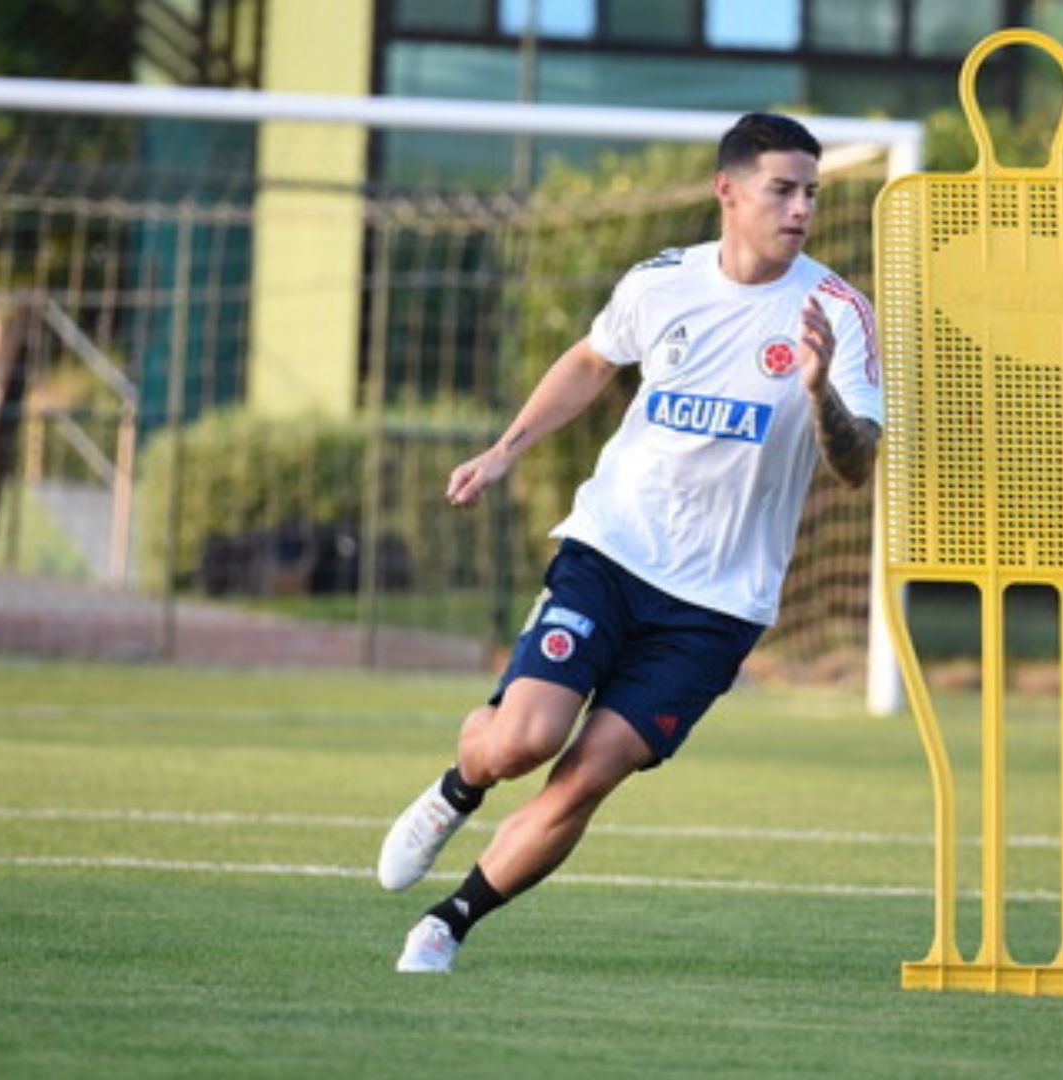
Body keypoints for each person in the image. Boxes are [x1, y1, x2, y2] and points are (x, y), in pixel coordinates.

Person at [376, 112, 883, 973]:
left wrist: (818, 391)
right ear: (727, 191)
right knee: (525, 740)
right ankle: (458, 788)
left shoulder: (836, 314)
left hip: (718, 604)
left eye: (811, 193)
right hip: (612, 552)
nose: (801, 208)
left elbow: (857, 462)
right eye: (782, 190)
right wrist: (502, 453)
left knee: (590, 770)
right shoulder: (662, 283)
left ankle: (448, 923)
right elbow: (590, 359)